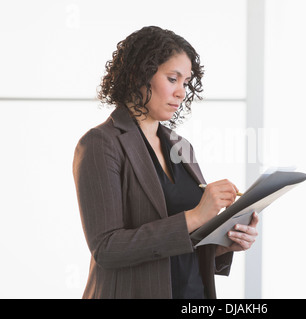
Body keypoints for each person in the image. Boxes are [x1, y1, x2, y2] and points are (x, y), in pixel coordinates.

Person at [72, 26, 259, 299]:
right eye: (173, 79)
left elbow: (183, 240)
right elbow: (107, 249)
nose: (181, 92)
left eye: (186, 82)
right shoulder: (101, 144)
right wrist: (196, 215)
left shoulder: (181, 146)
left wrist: (224, 244)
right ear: (139, 74)